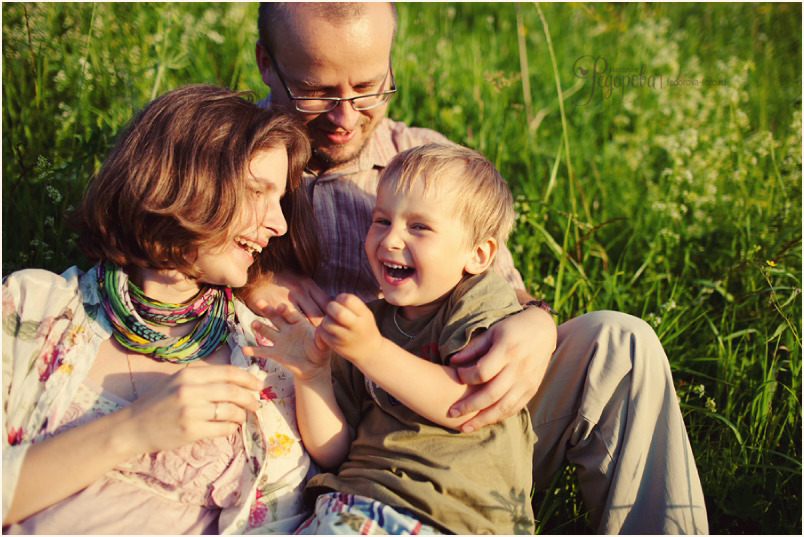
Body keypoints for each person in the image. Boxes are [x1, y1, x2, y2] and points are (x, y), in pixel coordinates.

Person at [251, 2, 708, 533]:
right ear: (267, 62)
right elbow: (148, 247)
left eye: (370, 86)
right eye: (318, 91)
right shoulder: (227, 154)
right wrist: (252, 274)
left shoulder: (425, 156)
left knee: (620, 344)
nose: (346, 115)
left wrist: (534, 322)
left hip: (467, 423)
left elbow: (501, 291)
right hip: (349, 436)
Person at [1, 85, 320, 533]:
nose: (279, 223)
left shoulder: (266, 355)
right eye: (255, 192)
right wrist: (134, 429)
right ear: (184, 184)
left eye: (279, 200)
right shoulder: (32, 309)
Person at [247, 143, 535, 534]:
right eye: (382, 221)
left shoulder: (479, 300)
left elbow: (466, 404)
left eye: (418, 227)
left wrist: (372, 351)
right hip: (352, 502)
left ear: (479, 255)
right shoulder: (368, 324)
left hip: (450, 515)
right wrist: (311, 374)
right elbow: (333, 450)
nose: (390, 240)